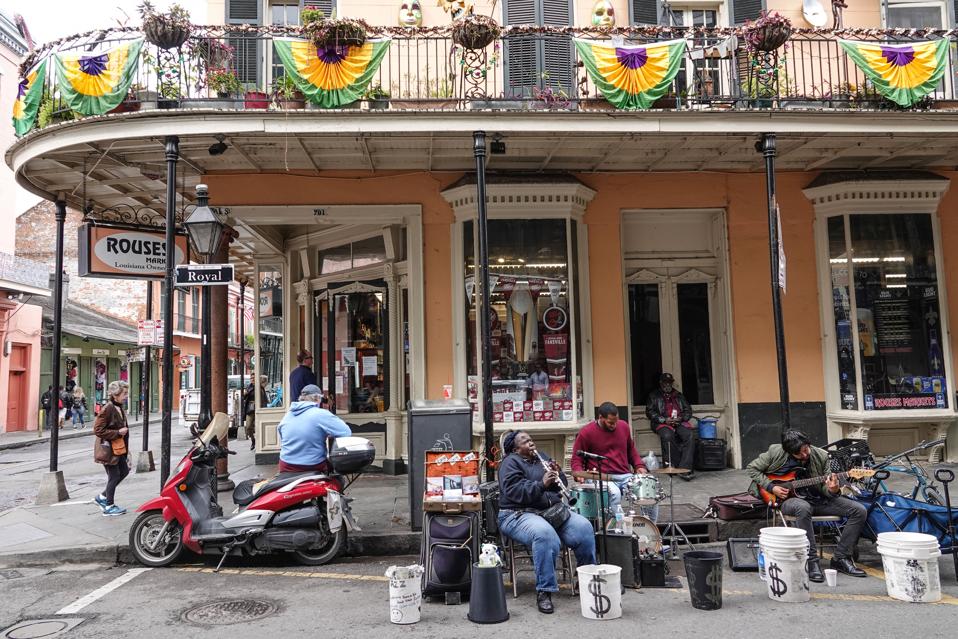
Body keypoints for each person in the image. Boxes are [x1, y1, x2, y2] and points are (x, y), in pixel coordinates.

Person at [746, 429, 867, 581]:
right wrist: (772, 487)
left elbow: (827, 489)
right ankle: (811, 561)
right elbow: (752, 468)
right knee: (803, 507)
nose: (804, 455)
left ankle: (841, 558)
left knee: (859, 510)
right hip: (789, 500)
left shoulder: (821, 455)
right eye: (799, 454)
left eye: (805, 450)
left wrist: (833, 489)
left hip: (818, 499)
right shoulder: (775, 452)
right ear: (789, 451)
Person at [497, 430, 596, 614]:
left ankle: (587, 579)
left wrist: (558, 474)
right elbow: (514, 492)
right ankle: (545, 591)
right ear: (515, 448)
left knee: (584, 527)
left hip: (550, 511)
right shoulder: (509, 463)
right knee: (545, 535)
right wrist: (541, 484)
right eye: (525, 441)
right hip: (517, 513)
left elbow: (560, 485)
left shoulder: (541, 457)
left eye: (531, 439)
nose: (531, 443)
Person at [571, 401, 651, 516]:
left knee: (646, 491)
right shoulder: (586, 433)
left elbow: (631, 450)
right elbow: (576, 459)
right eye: (610, 422)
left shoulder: (623, 426)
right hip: (601, 476)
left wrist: (639, 465)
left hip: (624, 475)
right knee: (614, 493)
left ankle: (651, 528)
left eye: (615, 421)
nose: (614, 425)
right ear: (600, 417)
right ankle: (619, 527)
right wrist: (579, 473)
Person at [277, 384, 351, 474]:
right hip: (312, 464)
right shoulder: (321, 414)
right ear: (316, 398)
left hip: (286, 464)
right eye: (321, 399)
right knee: (337, 479)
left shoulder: (288, 415)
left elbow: (281, 434)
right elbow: (346, 432)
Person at [646, 372, 696, 480]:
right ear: (661, 383)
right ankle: (670, 465)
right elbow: (650, 412)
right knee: (667, 436)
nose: (667, 385)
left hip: (678, 422)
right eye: (665, 383)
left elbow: (688, 410)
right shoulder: (654, 395)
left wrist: (681, 418)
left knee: (689, 435)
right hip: (662, 423)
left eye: (669, 383)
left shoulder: (678, 395)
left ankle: (685, 468)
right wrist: (664, 420)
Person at [93, 381, 131, 516]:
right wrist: (117, 433)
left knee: (124, 471)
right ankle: (109, 506)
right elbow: (98, 430)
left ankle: (102, 497)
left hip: (118, 448)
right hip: (109, 449)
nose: (126, 396)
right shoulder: (108, 408)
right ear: (115, 395)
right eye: (124, 393)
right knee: (114, 476)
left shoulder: (119, 407)